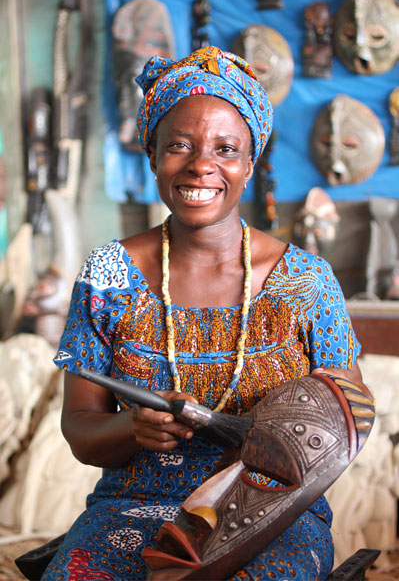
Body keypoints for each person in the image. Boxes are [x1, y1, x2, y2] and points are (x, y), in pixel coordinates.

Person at [43, 46, 370, 580]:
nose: (201, 165)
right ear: (151, 155)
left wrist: (270, 443)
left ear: (250, 162)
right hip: (134, 505)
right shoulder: (108, 274)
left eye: (225, 148)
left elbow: (345, 421)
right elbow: (80, 431)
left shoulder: (305, 282)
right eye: (179, 146)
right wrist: (132, 428)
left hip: (270, 513)